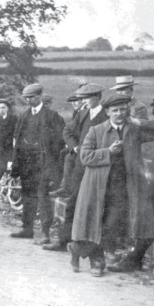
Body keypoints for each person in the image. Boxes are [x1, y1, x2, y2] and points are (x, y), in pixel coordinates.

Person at [69, 94, 154, 277]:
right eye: (115, 110)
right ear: (107, 112)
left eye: (123, 110)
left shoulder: (133, 130)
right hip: (98, 186)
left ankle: (77, 248)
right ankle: (97, 261)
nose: (119, 113)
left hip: (123, 186)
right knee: (98, 222)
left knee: (113, 223)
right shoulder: (96, 131)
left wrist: (136, 121)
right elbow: (85, 156)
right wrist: (108, 152)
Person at [44, 83, 108, 252]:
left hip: (100, 166)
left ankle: (95, 248)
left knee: (98, 206)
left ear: (96, 98)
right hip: (81, 166)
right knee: (73, 202)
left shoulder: (107, 114)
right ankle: (64, 241)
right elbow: (67, 130)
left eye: (86, 99)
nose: (83, 102)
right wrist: (74, 147)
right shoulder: (83, 113)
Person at [9, 83, 65, 243]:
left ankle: (45, 233)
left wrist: (51, 161)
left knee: (43, 198)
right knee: (27, 196)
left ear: (39, 96)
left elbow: (60, 142)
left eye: (31, 97)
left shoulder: (52, 116)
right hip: (27, 163)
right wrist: (16, 164)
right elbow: (17, 141)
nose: (28, 100)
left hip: (44, 164)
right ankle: (27, 228)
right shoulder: (24, 116)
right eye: (26, 98)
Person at [50, 92, 86, 197]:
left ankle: (65, 186)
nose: (74, 103)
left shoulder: (84, 111)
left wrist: (74, 145)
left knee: (68, 157)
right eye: (72, 102)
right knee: (62, 152)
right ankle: (62, 183)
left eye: (76, 101)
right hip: (78, 144)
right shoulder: (77, 111)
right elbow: (71, 130)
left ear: (83, 100)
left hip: (84, 145)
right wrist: (71, 144)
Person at [0, 98, 17, 200]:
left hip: (9, 151)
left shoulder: (14, 119)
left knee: (2, 173)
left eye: (3, 107)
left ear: (7, 108)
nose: (1, 110)